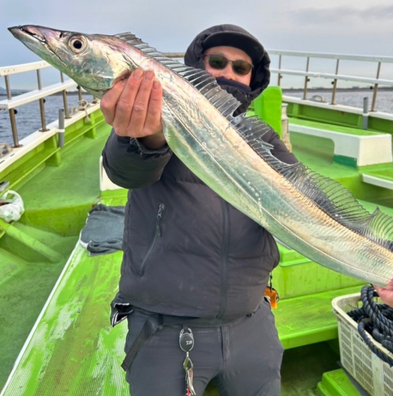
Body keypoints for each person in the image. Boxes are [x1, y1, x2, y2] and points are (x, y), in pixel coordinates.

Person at [101, 24, 298, 396]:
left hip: (253, 322)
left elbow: (305, 204)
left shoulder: (266, 138)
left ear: (253, 79)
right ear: (196, 65)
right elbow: (125, 168)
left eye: (241, 68)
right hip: (164, 331)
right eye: (218, 61)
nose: (229, 73)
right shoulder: (161, 120)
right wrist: (146, 137)